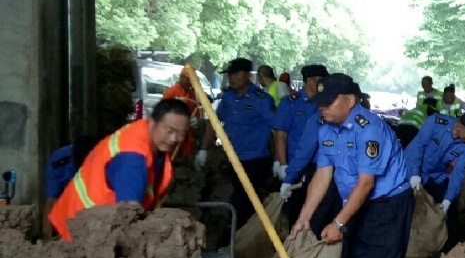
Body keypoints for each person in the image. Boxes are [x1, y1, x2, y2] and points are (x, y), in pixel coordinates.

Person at [291, 73, 415, 258]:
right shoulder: (326, 128)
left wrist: (338, 224)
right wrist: (304, 218)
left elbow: (366, 183)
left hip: (388, 205)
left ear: (350, 100)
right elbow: (322, 174)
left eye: (329, 102)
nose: (322, 108)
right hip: (357, 204)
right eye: (320, 102)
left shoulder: (368, 129)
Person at [49, 99, 192, 240]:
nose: (174, 138)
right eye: (169, 130)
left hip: (97, 228)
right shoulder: (132, 159)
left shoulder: (146, 135)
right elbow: (129, 215)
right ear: (153, 122)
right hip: (80, 233)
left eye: (181, 133)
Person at [197, 57, 277, 230]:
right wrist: (204, 149)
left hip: (256, 160)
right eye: (230, 74)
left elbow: (277, 129)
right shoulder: (228, 98)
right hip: (233, 159)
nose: (232, 78)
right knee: (238, 197)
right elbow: (214, 122)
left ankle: (235, 239)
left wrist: (279, 160)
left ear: (247, 75)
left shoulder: (261, 99)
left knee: (242, 200)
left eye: (235, 74)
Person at [273, 64, 339, 233]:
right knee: (296, 211)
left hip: (323, 168)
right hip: (298, 167)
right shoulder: (290, 103)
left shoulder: (327, 104)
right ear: (309, 80)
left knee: (321, 213)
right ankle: (296, 247)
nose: (322, 85)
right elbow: (281, 135)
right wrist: (282, 164)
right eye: (319, 81)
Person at [405, 114, 465, 252]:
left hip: (434, 174)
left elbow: (458, 174)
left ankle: (451, 249)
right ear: (461, 126)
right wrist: (414, 173)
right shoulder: (435, 123)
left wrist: (448, 199)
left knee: (451, 206)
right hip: (410, 166)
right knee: (406, 205)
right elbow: (419, 146)